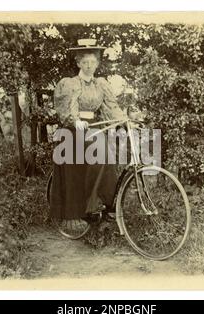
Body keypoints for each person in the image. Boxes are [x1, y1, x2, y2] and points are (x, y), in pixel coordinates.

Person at [49, 39, 129, 230]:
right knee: (90, 155)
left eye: (93, 62)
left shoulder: (101, 84)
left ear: (97, 63)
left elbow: (111, 107)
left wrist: (124, 120)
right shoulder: (70, 84)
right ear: (78, 63)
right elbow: (67, 108)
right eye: (85, 62)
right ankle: (79, 211)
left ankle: (105, 206)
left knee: (108, 156)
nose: (89, 66)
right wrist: (75, 120)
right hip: (73, 128)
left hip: (94, 126)